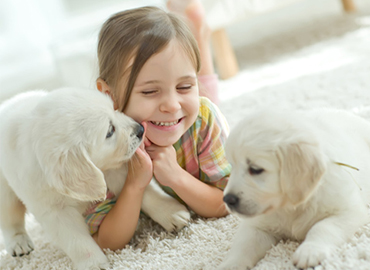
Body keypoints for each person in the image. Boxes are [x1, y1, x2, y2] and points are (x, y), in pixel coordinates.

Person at [84, 5, 231, 251]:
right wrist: (134, 185)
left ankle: (200, 35)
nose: (172, 106)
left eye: (185, 86)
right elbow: (105, 240)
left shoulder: (204, 120)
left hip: (200, 114)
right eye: (150, 91)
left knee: (208, 101)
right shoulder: (102, 143)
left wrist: (176, 176)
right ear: (109, 95)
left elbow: (228, 202)